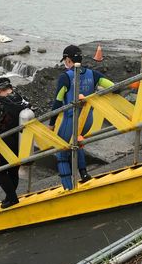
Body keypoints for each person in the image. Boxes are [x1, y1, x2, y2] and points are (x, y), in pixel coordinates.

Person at [49, 45, 114, 190]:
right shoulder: (93, 74)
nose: (65, 64)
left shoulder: (65, 77)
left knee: (62, 152)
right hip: (87, 119)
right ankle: (84, 174)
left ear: (68, 59)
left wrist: (52, 123)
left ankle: (68, 187)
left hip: (71, 120)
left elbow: (58, 102)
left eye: (65, 61)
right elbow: (113, 87)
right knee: (76, 142)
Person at [0, 77, 31, 208]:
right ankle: (9, 197)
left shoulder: (0, 103)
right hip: (20, 140)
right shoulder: (21, 99)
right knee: (13, 170)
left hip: (4, 143)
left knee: (0, 170)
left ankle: (12, 198)